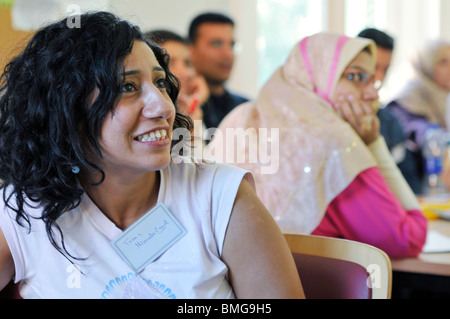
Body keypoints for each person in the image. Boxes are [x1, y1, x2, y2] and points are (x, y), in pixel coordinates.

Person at [0, 12, 303, 299]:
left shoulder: (220, 196)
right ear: (67, 108)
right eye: (128, 87)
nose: (164, 107)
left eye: (160, 83)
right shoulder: (24, 211)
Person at [207, 33, 427, 258]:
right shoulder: (334, 143)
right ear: (316, 78)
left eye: (372, 81)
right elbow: (408, 238)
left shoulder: (241, 117)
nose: (372, 93)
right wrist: (374, 145)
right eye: (356, 76)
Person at [386, 40, 450, 194]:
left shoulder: (445, 98)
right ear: (426, 65)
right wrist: (443, 141)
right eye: (443, 62)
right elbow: (417, 130)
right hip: (417, 188)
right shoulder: (409, 99)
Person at [358, 28, 418, 191]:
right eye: (374, 67)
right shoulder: (331, 117)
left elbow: (409, 184)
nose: (379, 78)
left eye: (385, 69)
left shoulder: (390, 123)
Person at [188, 12, 249, 130]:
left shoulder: (246, 109)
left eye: (232, 45)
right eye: (217, 43)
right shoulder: (180, 108)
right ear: (191, 51)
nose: (228, 54)